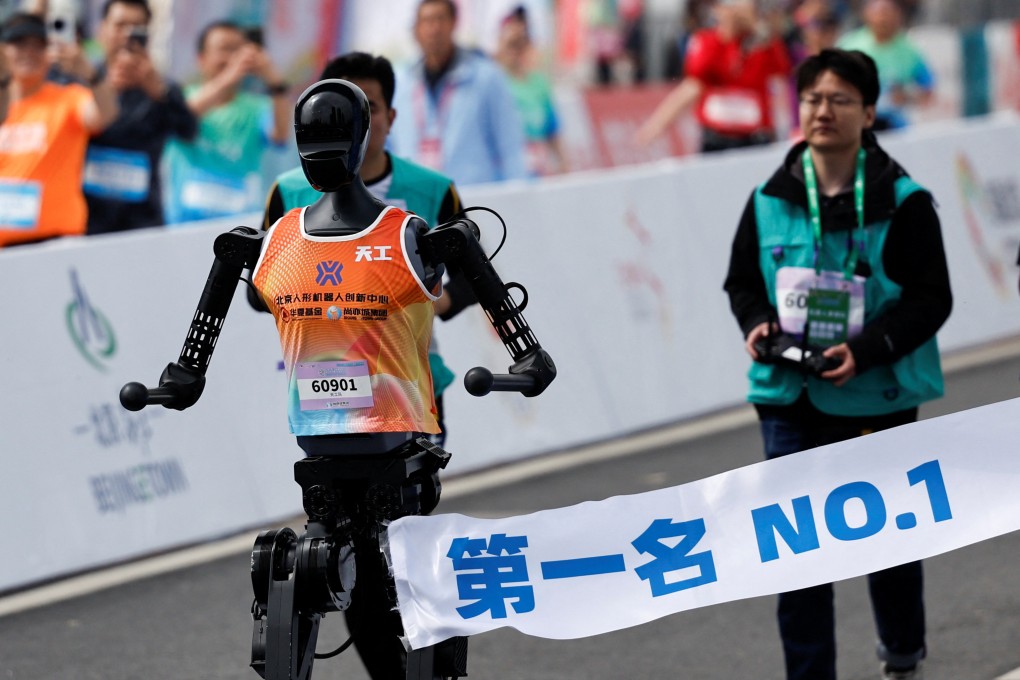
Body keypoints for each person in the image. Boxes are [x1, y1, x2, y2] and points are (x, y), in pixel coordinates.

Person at [723, 48, 951, 680]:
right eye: (813, 99)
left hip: (874, 394)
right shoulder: (769, 196)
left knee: (891, 545)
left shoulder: (903, 201)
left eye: (839, 100)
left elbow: (933, 299)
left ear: (870, 112)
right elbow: (741, 282)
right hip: (788, 399)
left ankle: (903, 658)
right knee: (797, 557)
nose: (823, 111)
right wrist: (756, 324)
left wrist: (869, 348)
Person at [260, 51, 476, 445]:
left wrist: (424, 299)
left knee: (408, 498)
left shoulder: (434, 189)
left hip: (409, 379)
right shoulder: (287, 192)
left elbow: (472, 277)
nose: (349, 123)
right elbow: (257, 291)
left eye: (367, 107)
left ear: (390, 118)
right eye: (334, 109)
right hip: (321, 386)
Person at [0, 12, 118, 248]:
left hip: (55, 243)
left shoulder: (68, 99)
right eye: (19, 44)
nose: (29, 53)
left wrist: (89, 73)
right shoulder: (4, 106)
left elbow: (106, 114)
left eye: (39, 46)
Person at [79, 0, 197, 235]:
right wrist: (106, 89)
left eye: (137, 27)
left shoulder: (163, 87)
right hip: (85, 220)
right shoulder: (82, 81)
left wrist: (160, 93)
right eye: (120, 25)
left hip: (141, 223)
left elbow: (189, 131)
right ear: (102, 30)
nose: (127, 35)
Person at [162, 19, 289, 225]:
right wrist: (229, 76)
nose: (232, 58)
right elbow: (181, 116)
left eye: (238, 50)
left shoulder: (257, 108)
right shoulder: (183, 97)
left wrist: (274, 81)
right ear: (201, 58)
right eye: (224, 49)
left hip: (238, 229)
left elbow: (280, 135)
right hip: (180, 226)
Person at [389, 0, 528, 186]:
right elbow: (388, 147)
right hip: (416, 201)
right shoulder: (401, 83)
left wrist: (518, 193)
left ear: (454, 22)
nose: (434, 29)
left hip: (474, 199)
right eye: (427, 21)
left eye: (440, 19)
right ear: (416, 29)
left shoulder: (486, 77)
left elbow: (510, 146)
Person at [634, 0, 791, 153]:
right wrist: (656, 125)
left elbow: (781, 73)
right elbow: (692, 87)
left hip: (754, 139)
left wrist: (756, 27)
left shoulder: (763, 44)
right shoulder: (707, 42)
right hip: (716, 140)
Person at [494, 5, 568, 176]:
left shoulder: (538, 83)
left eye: (520, 43)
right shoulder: (493, 85)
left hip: (537, 172)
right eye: (511, 44)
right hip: (504, 174)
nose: (515, 51)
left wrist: (564, 165)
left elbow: (552, 130)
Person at [838, 0, 933, 130]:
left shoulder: (909, 51)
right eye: (879, 13)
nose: (884, 18)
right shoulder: (850, 46)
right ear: (867, 15)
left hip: (896, 125)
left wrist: (907, 97)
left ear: (898, 16)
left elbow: (928, 90)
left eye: (888, 12)